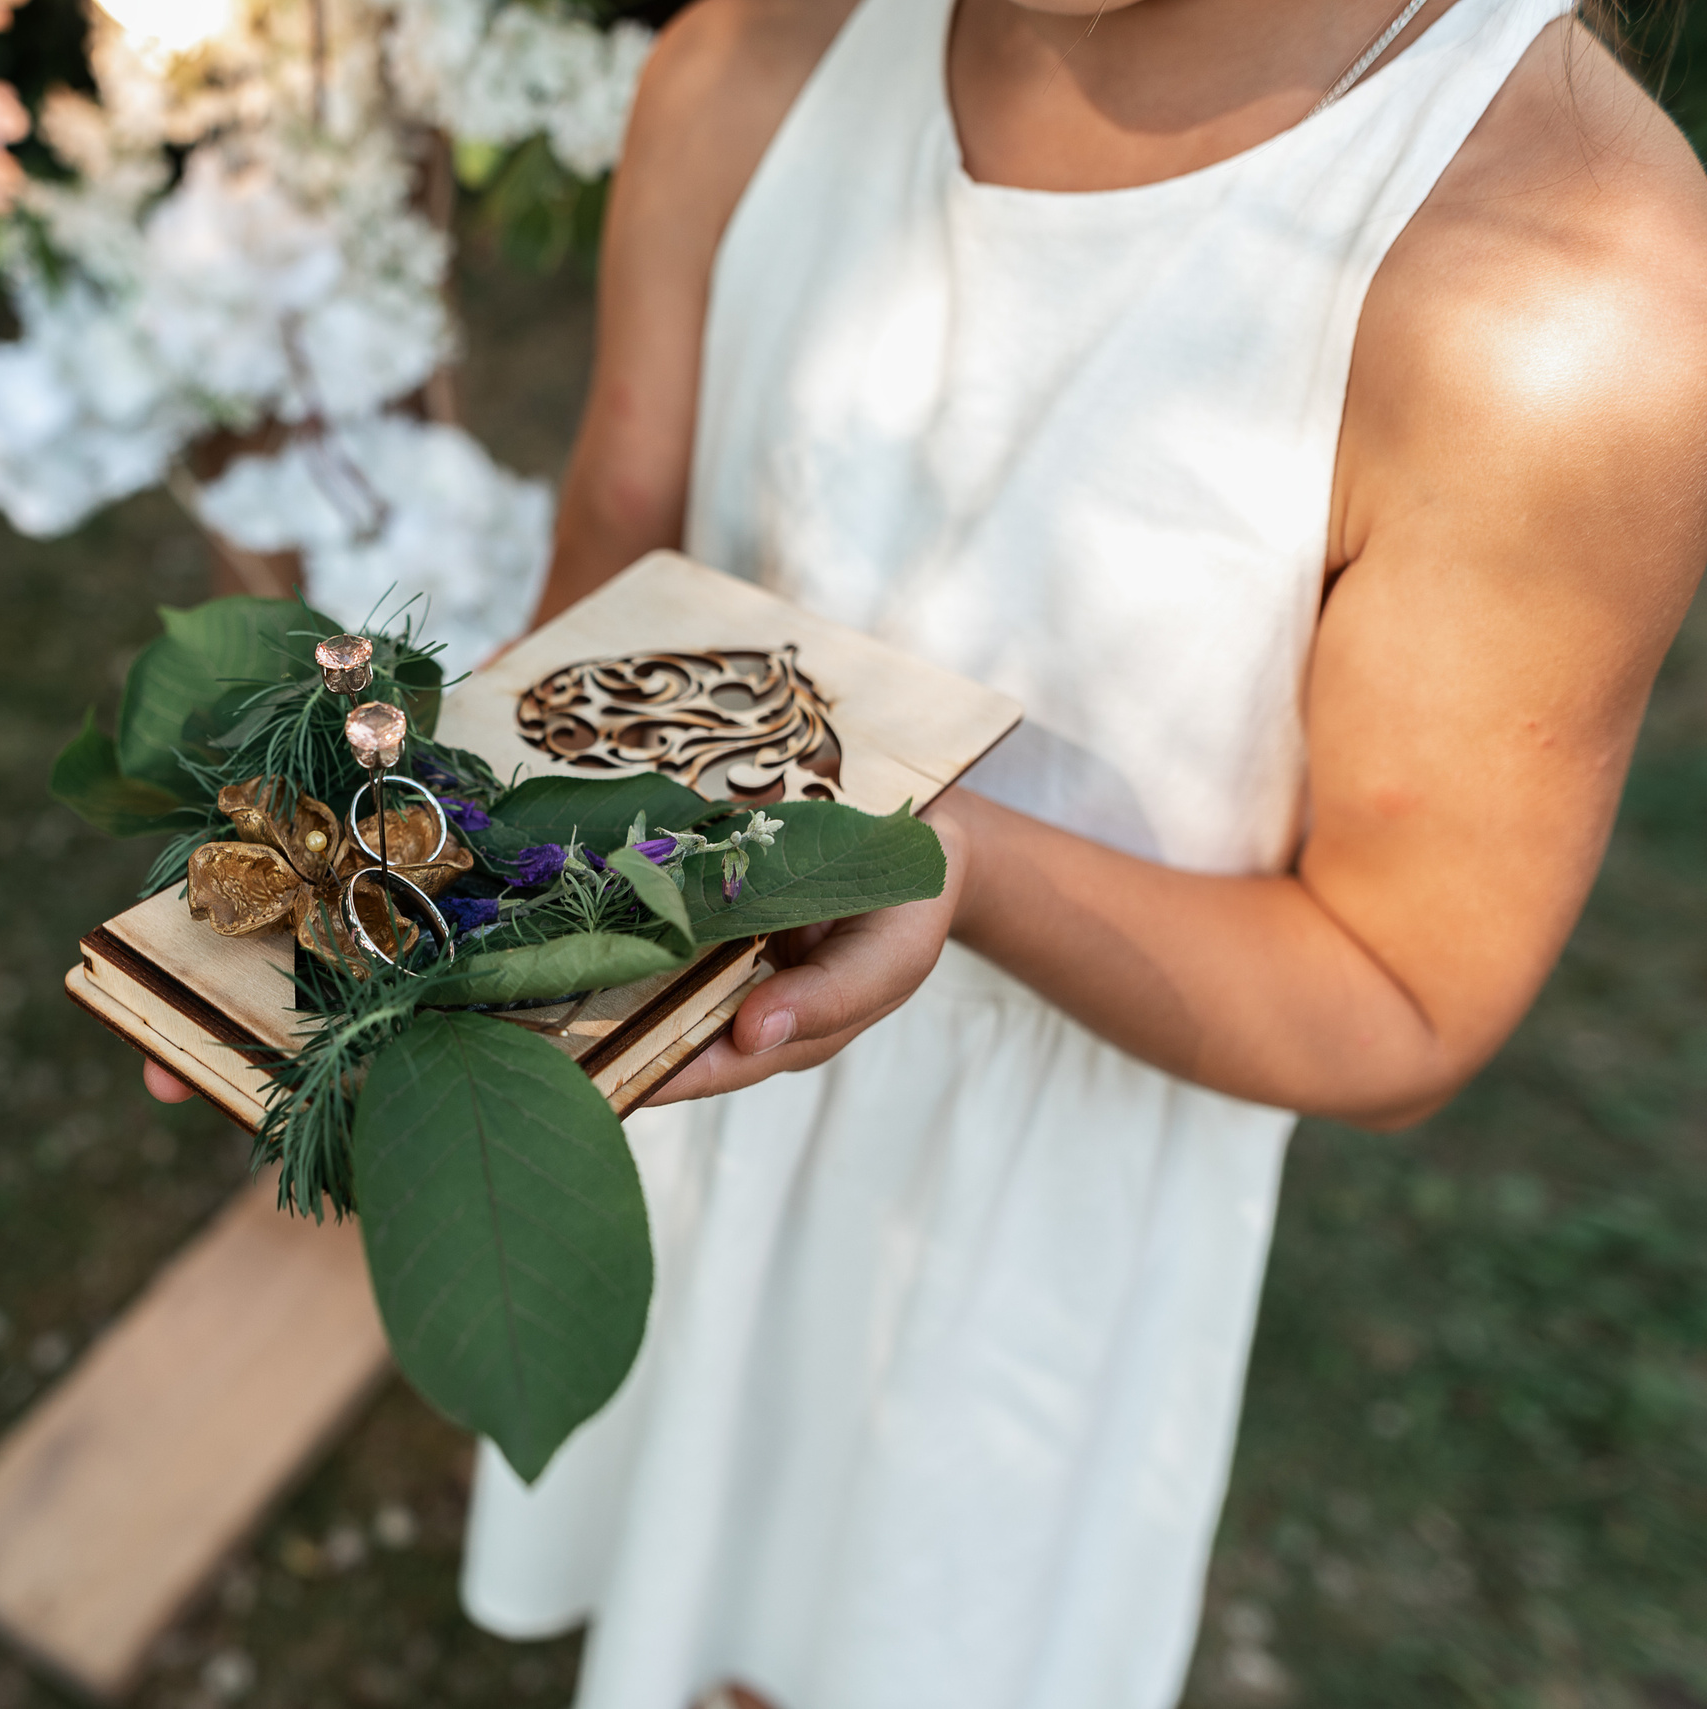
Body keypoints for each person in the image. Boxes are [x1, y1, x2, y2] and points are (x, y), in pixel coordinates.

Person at [150, 0, 1707, 1701]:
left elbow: (1401, 996)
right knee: (681, 1584)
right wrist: (386, 892)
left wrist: (947, 862)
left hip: (1008, 1238)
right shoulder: (758, 59)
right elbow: (604, 599)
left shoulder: (1562, 302)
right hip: (684, 1081)